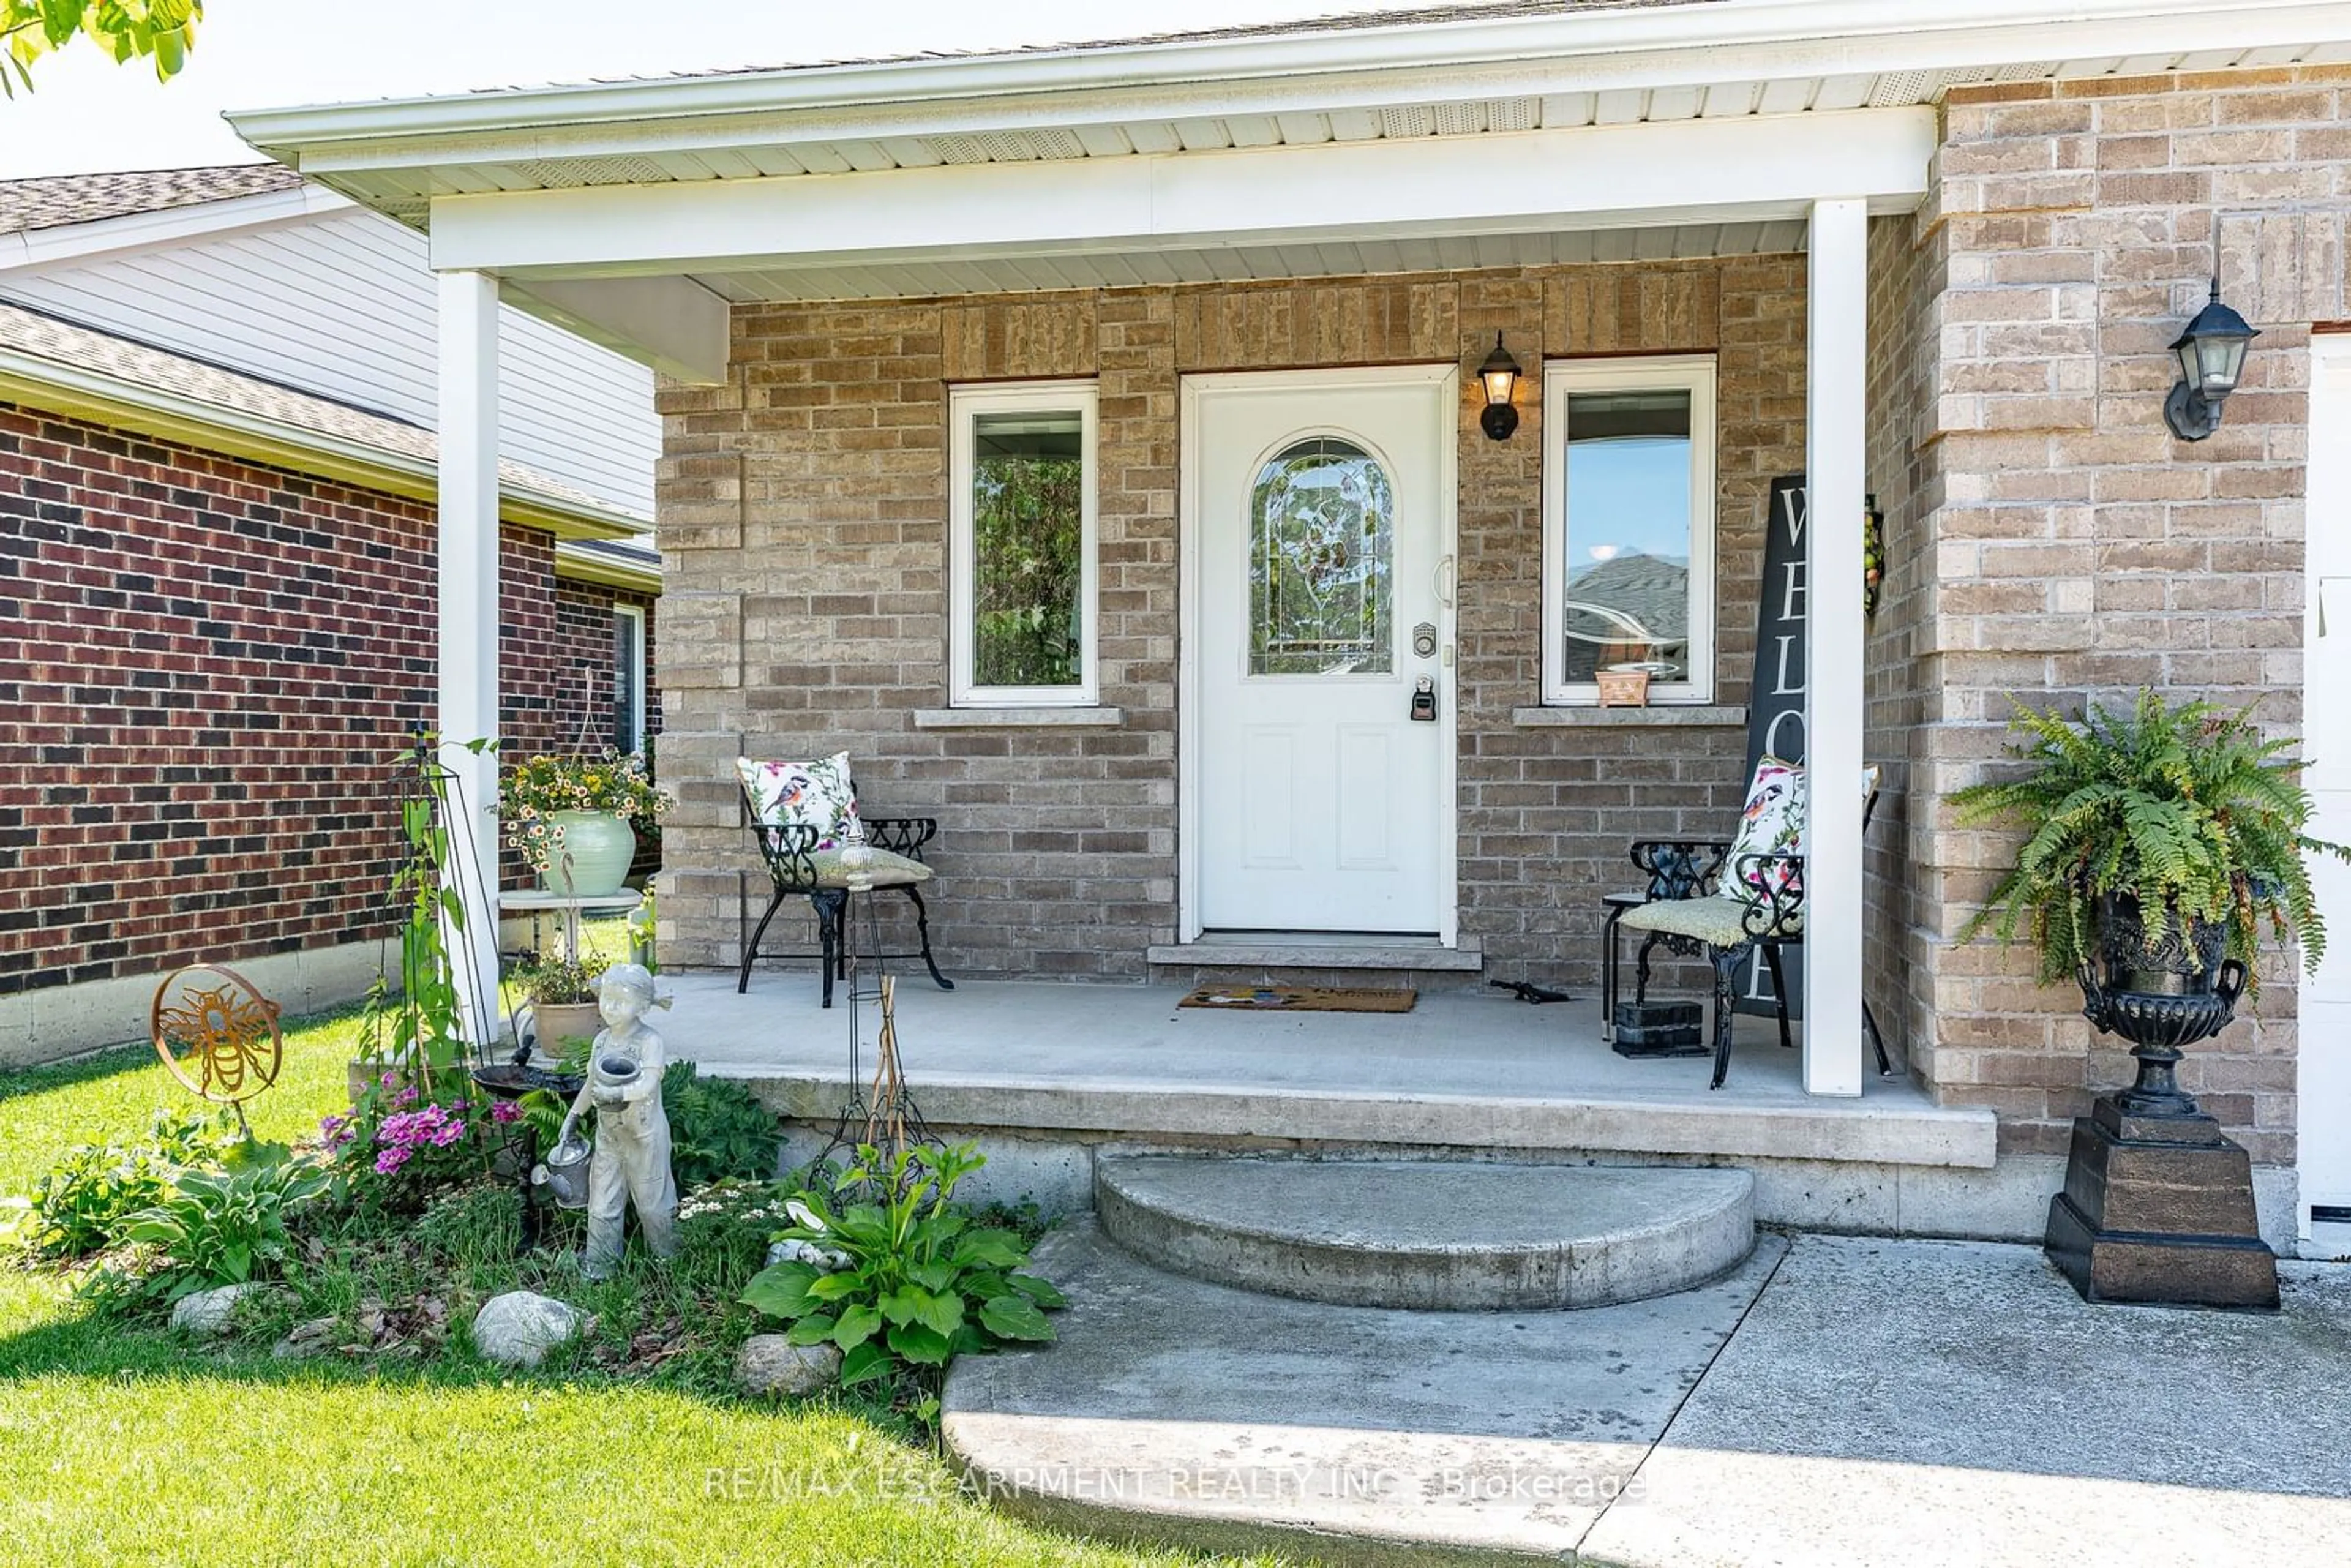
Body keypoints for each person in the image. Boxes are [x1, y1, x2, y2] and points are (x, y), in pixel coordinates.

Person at [557, 962, 678, 1279]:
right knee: (602, 1205)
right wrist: (573, 1116)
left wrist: (618, 1094)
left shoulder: (649, 1041)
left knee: (654, 1205)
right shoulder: (602, 1041)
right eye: (606, 998)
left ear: (641, 1006)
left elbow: (648, 1085)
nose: (610, 1008)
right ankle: (599, 1270)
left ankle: (670, 1267)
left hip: (644, 1136)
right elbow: (590, 1085)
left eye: (620, 1002)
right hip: (609, 1137)